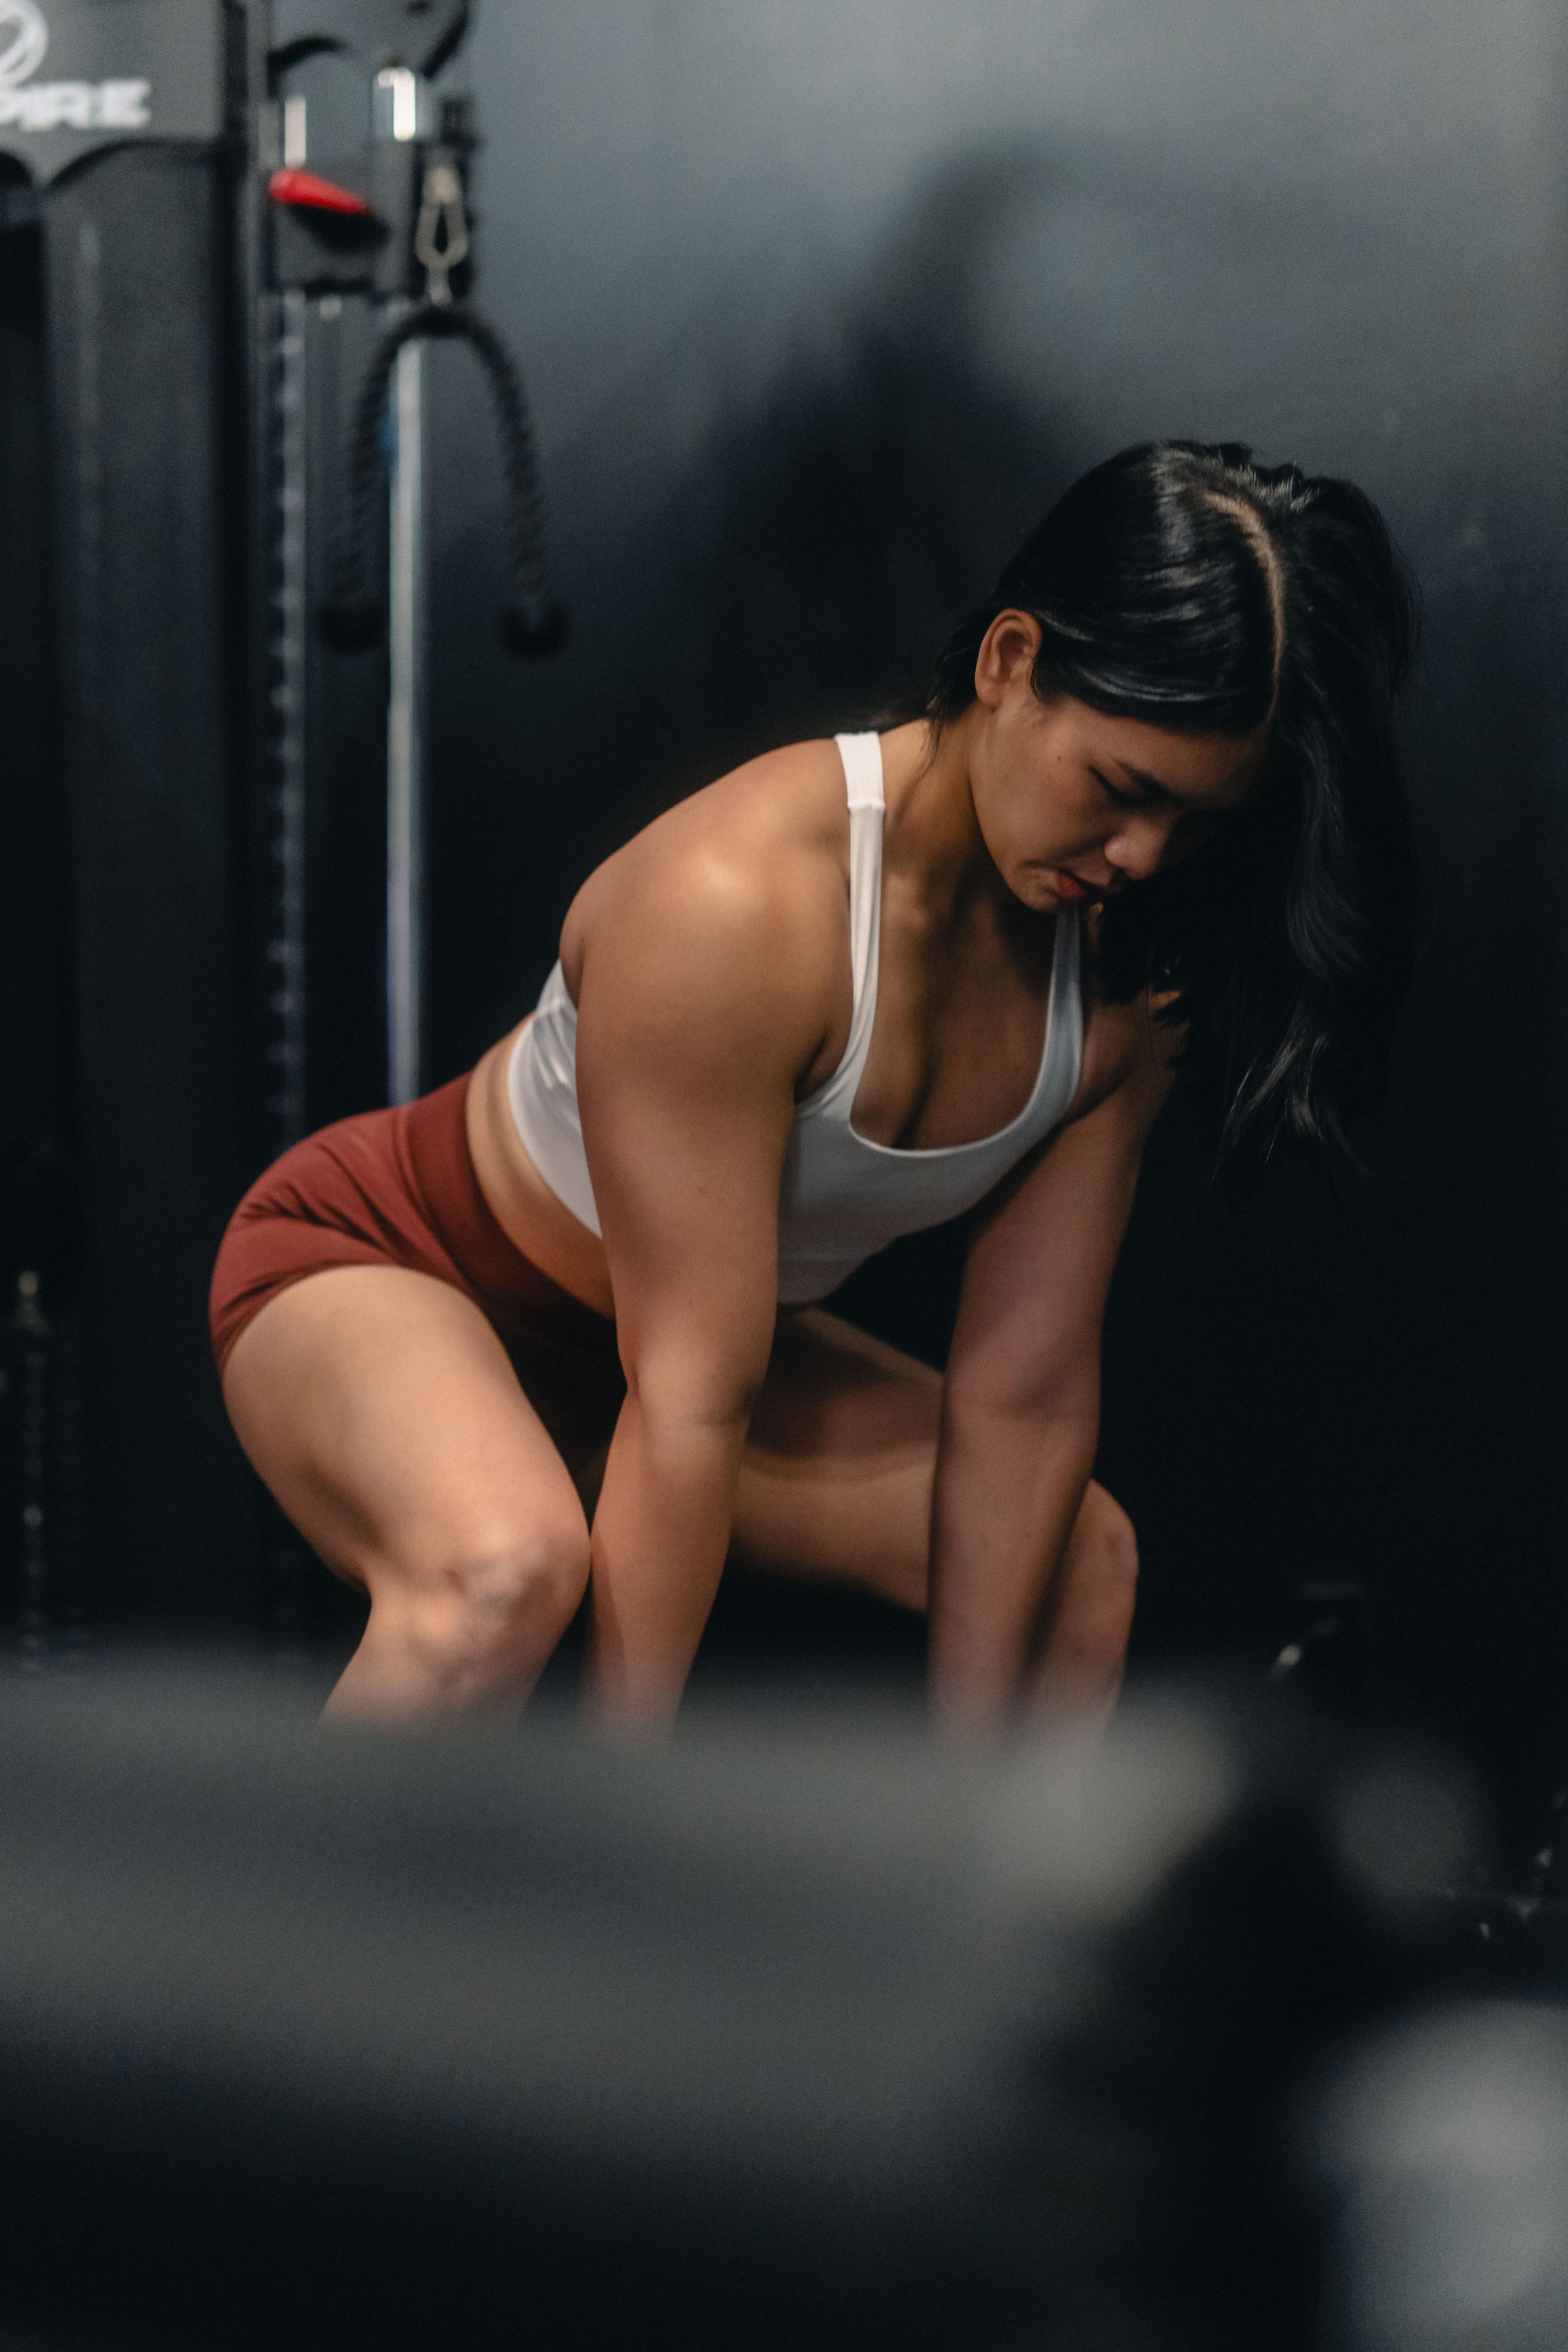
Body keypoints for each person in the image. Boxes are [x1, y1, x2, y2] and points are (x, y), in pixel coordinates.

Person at [210, 441, 1416, 1732]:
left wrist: (953, 1803)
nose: (1140, 854)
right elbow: (688, 1397)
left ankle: (993, 1933)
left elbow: (1026, 1393)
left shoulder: (1124, 983)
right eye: (1121, 789)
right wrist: (623, 1821)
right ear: (1012, 662)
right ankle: (272, 1940)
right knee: (505, 1570)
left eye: (1194, 823)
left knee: (1082, 1559)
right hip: (398, 1265)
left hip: (661, 1357)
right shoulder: (735, 908)